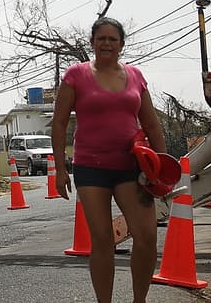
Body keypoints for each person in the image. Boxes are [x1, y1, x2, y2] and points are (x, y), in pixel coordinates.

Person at [51, 17, 166, 303]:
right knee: (102, 240)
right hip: (91, 168)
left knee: (146, 238)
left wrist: (163, 166)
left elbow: (151, 124)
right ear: (92, 43)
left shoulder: (136, 76)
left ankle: (139, 299)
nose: (106, 43)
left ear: (121, 44)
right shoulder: (76, 75)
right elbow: (59, 123)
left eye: (112, 39)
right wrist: (60, 170)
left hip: (131, 167)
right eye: (100, 38)